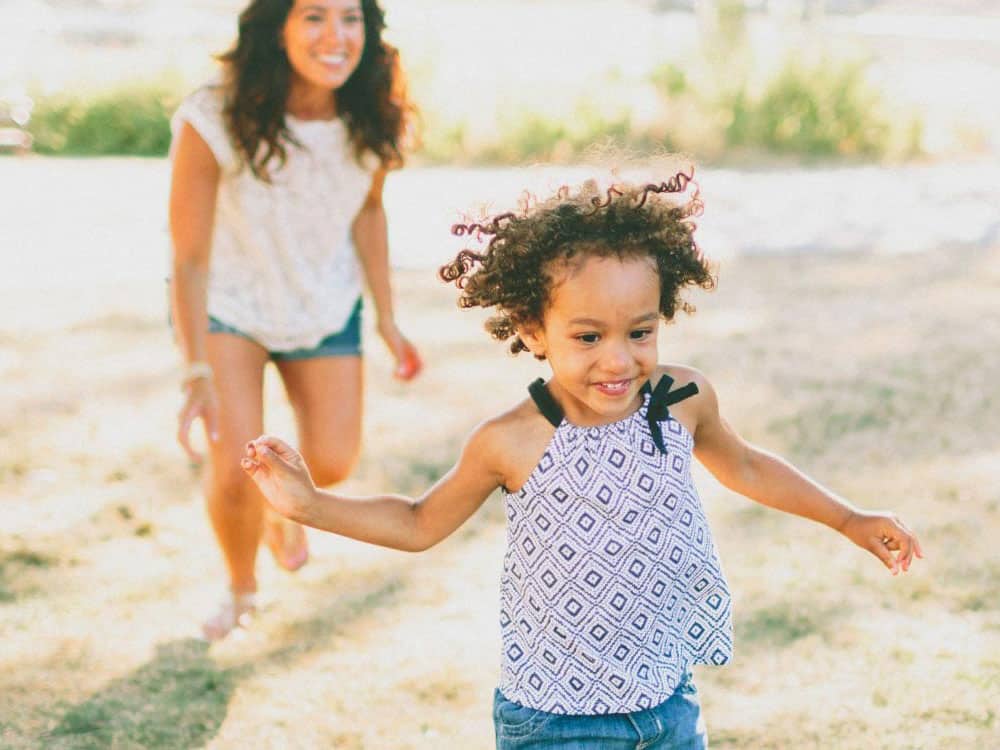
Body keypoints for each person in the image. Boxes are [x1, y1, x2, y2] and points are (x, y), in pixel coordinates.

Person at [239, 171, 923, 748]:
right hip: (556, 720)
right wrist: (310, 505)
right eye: (588, 335)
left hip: (668, 700)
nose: (618, 358)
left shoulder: (682, 397)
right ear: (534, 330)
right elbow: (419, 523)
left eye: (641, 331)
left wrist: (847, 517)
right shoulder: (513, 438)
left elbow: (744, 465)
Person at [168, 0, 422, 641]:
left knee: (332, 463)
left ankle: (278, 510)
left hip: (324, 304)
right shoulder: (213, 114)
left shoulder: (373, 111)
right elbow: (189, 255)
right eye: (314, 16)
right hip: (231, 306)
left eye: (350, 18)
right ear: (277, 27)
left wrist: (388, 318)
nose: (336, 37)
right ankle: (241, 587)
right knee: (233, 466)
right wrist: (195, 367)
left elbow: (367, 211)